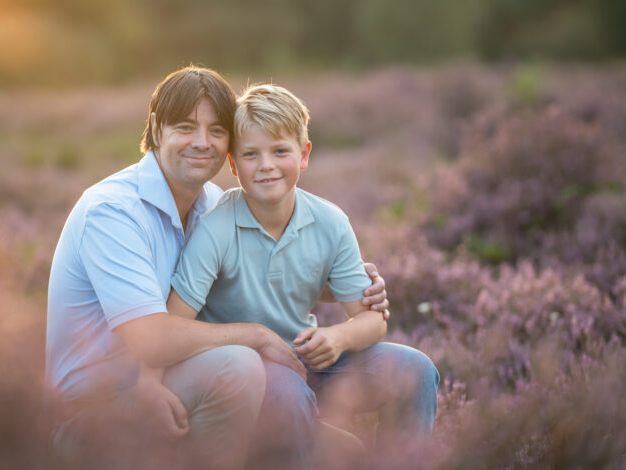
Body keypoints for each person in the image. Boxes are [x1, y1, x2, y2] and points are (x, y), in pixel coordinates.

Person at [44, 66, 389, 470]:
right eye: (186, 127)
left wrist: (345, 287)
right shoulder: (113, 212)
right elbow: (151, 341)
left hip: (173, 382)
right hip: (96, 411)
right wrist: (254, 335)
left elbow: (247, 274)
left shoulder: (210, 201)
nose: (201, 143)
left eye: (216, 131)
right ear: (156, 129)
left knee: (347, 453)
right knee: (238, 365)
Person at [166, 84, 440, 469]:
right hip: (249, 374)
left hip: (308, 359)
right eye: (250, 154)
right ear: (232, 164)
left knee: (415, 371)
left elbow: (371, 319)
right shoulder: (217, 229)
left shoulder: (330, 222)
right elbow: (173, 325)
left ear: (304, 154)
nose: (266, 165)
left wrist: (337, 336)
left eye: (280, 151)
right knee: (287, 398)